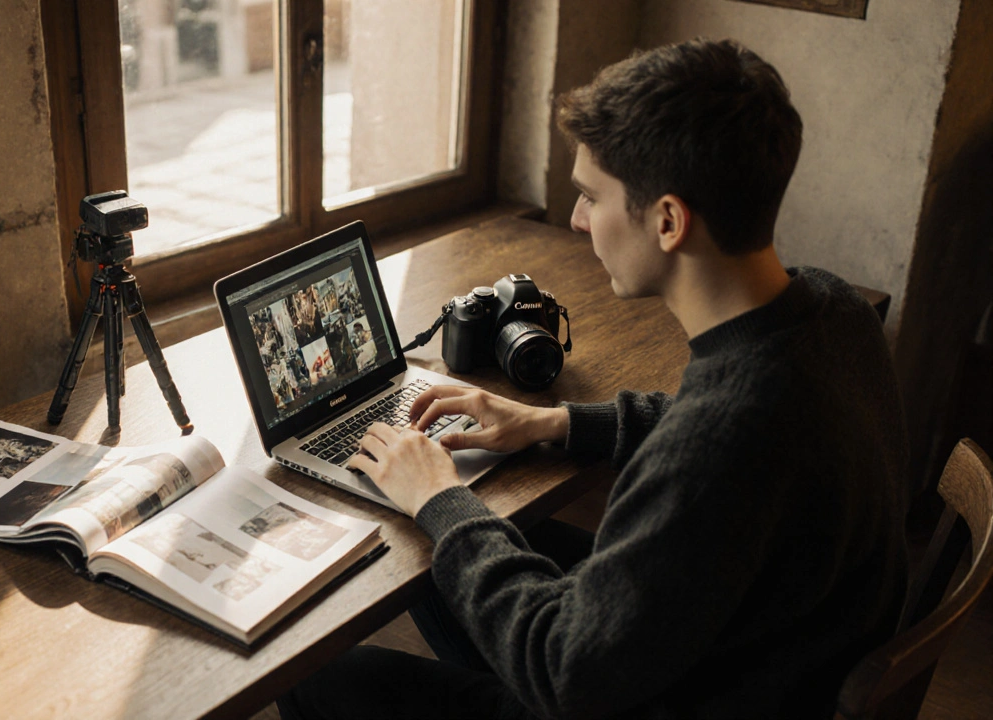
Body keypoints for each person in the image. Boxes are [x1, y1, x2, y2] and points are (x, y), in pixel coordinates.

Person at [277, 38, 909, 719]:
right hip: (759, 642)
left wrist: (439, 497)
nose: (577, 221)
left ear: (668, 220)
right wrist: (555, 421)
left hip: (662, 692)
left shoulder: (717, 447)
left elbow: (567, 674)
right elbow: (716, 422)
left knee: (331, 680)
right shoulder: (834, 311)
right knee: (452, 546)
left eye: (589, 196)